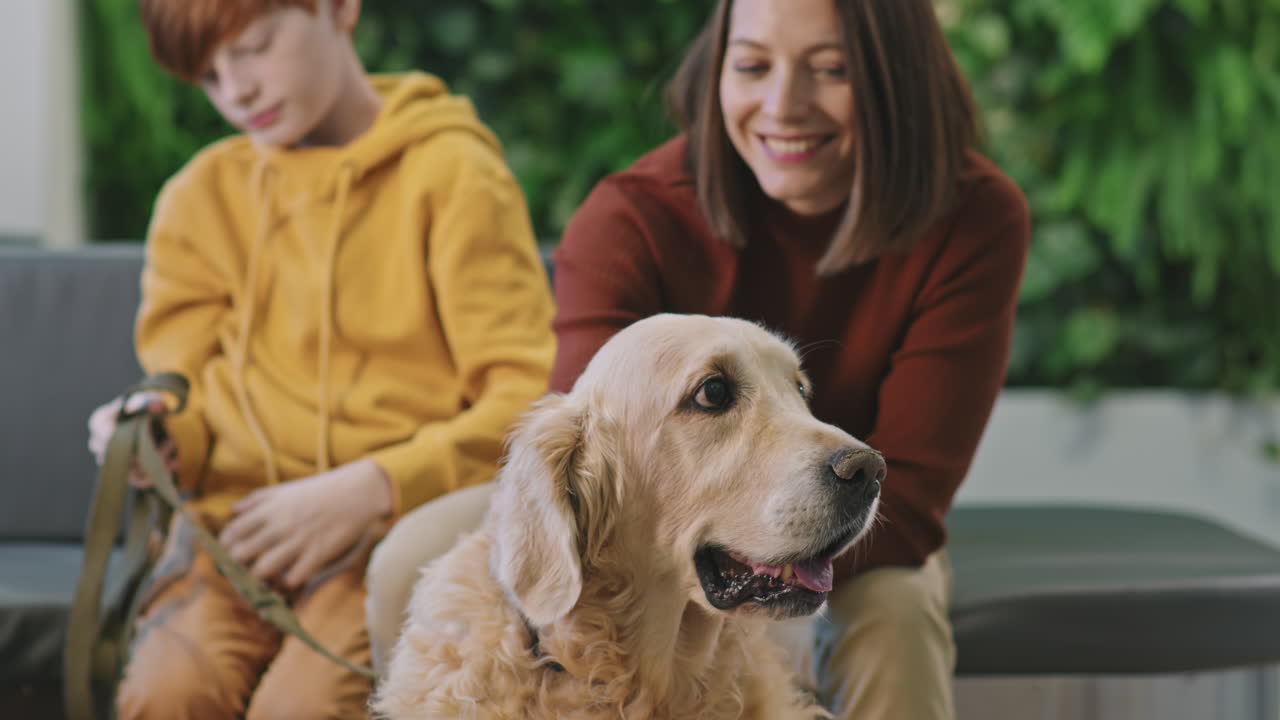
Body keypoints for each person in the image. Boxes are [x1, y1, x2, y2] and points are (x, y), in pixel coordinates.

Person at [365, 0, 1029, 717]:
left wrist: (765, 560)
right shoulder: (631, 217)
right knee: (411, 556)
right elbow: (594, 454)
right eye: (751, 66)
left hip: (848, 524)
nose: (783, 105)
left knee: (893, 614)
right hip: (653, 505)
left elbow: (911, 488)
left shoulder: (973, 216)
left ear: (897, 74)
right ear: (716, 73)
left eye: (831, 69)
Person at [84, 0, 556, 717]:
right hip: (234, 534)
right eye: (209, 74)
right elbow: (191, 403)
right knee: (164, 696)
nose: (236, 90)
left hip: (386, 537)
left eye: (254, 48)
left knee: (301, 709)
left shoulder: (454, 175)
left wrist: (372, 487)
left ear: (338, 8)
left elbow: (524, 398)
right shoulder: (199, 199)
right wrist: (155, 430)